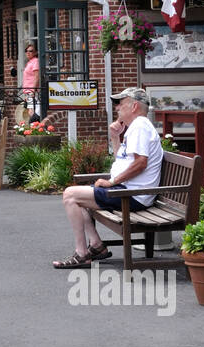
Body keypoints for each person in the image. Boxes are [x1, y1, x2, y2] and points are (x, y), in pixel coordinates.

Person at [53, 87, 163, 269]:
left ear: (134, 106)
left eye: (121, 103)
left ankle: (82, 254)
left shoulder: (140, 126)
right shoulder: (135, 127)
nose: (117, 107)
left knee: (70, 195)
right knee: (78, 198)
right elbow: (124, 160)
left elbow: (141, 163)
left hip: (133, 195)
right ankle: (96, 246)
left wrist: (112, 182)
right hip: (129, 191)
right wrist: (115, 138)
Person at [21, 42, 41, 121]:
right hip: (28, 91)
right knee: (30, 110)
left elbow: (37, 77)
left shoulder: (35, 61)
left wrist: (33, 90)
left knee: (32, 110)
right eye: (26, 51)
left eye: (31, 51)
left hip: (32, 91)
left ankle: (34, 127)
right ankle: (34, 127)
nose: (28, 52)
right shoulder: (29, 62)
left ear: (35, 52)